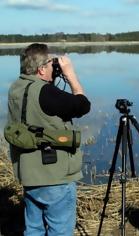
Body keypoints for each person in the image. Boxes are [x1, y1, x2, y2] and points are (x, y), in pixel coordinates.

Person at [6, 43, 90, 235]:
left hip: (28, 173)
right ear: (42, 69)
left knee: (33, 228)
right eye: (52, 63)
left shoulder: (16, 87)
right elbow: (83, 105)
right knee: (59, 229)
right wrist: (70, 76)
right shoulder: (46, 92)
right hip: (54, 176)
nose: (56, 67)